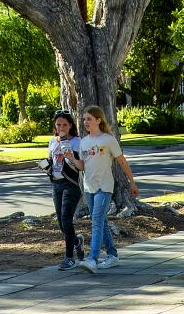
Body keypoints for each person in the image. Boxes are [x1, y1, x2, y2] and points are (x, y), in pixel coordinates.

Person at [73, 106, 140, 274]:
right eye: (84, 119)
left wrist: (132, 183)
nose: (85, 122)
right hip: (89, 187)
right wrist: (69, 158)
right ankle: (112, 255)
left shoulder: (108, 139)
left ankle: (92, 259)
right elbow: (82, 165)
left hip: (104, 187)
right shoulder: (84, 141)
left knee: (96, 220)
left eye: (89, 119)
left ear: (98, 120)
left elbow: (122, 162)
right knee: (101, 221)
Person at [44, 110, 84, 270]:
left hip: (71, 184)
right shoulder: (53, 141)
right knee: (61, 222)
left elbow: (81, 163)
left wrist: (71, 155)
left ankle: (69, 258)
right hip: (56, 184)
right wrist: (45, 165)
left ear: (71, 125)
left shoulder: (77, 141)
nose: (61, 127)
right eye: (58, 124)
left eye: (65, 125)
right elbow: (51, 160)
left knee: (67, 219)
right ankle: (77, 241)